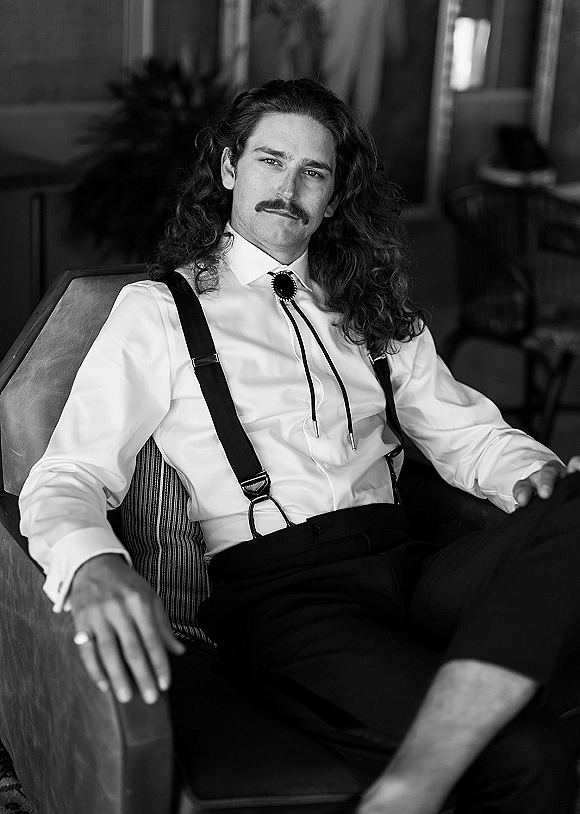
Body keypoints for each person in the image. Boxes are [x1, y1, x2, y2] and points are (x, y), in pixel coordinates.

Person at [19, 77, 580, 814]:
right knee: (529, 753)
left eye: (313, 172)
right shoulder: (160, 312)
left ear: (336, 192)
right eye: (271, 162)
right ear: (229, 168)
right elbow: (70, 473)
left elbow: (470, 434)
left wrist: (531, 477)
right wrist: (92, 565)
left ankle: (417, 771)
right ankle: (417, 783)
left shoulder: (373, 305)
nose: (290, 189)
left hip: (414, 568)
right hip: (288, 593)